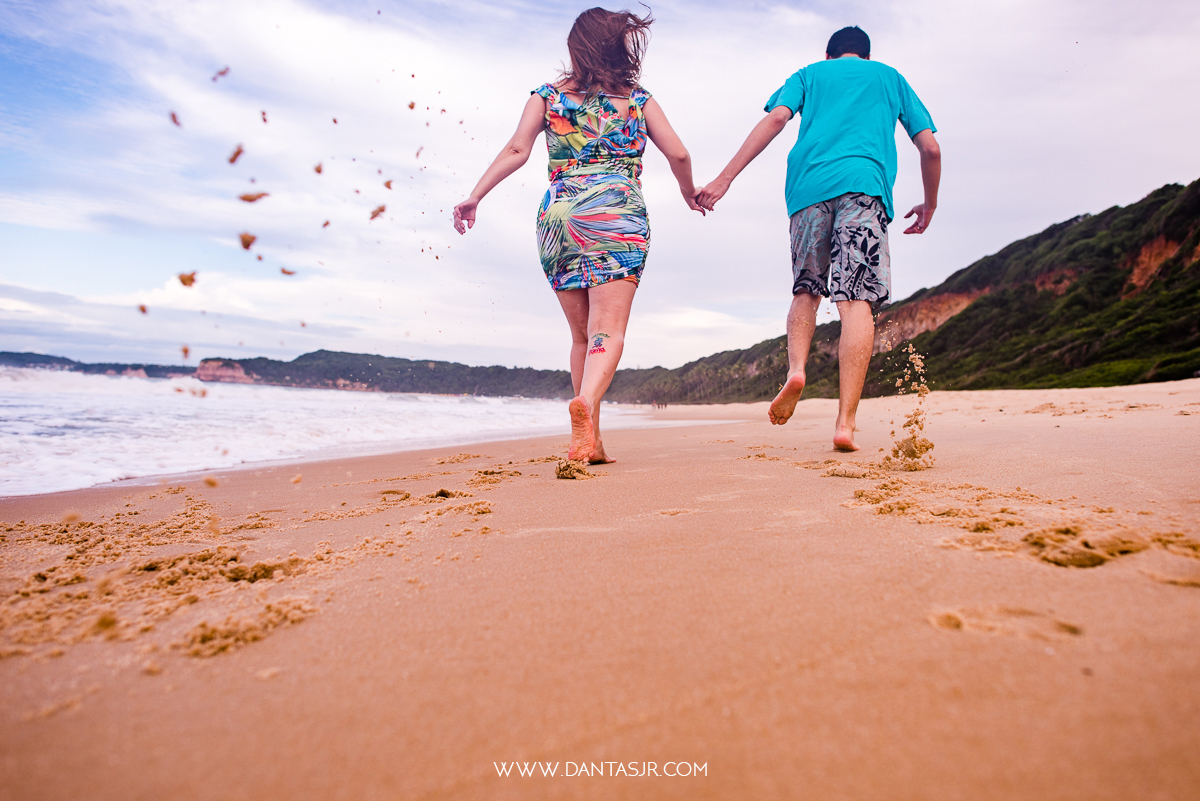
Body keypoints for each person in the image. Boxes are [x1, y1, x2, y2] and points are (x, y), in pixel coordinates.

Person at [453, 7, 703, 463]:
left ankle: (590, 441)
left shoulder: (546, 97)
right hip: (615, 214)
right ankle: (585, 408)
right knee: (607, 331)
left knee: (580, 338)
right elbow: (680, 154)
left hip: (559, 218)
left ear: (576, 48)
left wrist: (475, 196)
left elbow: (516, 149)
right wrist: (689, 194)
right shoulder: (638, 100)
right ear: (620, 45)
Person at [697, 25, 941, 451]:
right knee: (855, 301)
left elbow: (776, 118)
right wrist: (930, 203)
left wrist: (724, 178)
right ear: (864, 55)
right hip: (865, 189)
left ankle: (797, 369)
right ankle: (845, 422)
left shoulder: (810, 74)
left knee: (806, 290)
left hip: (808, 192)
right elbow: (931, 148)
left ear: (831, 55)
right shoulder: (891, 78)